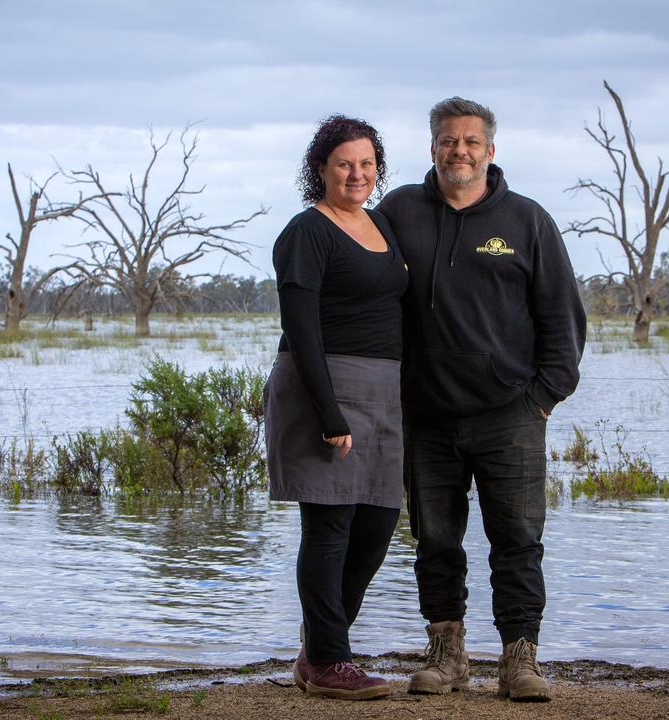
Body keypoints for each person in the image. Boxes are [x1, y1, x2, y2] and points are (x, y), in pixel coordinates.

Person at [377, 97, 586, 702]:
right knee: (435, 541)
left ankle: (519, 662)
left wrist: (543, 399)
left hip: (510, 416)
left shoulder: (527, 221)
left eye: (471, 141)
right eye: (448, 140)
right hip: (427, 415)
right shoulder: (399, 214)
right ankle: (447, 657)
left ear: (491, 151)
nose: (459, 150)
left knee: (517, 541)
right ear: (433, 147)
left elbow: (563, 319)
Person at [264, 114, 409, 701]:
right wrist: (328, 414)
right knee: (330, 525)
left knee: (377, 523)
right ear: (319, 168)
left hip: (384, 392)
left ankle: (320, 647)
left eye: (367, 163)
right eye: (344, 163)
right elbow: (299, 326)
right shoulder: (308, 231)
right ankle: (329, 660)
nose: (357, 173)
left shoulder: (380, 224)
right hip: (324, 386)